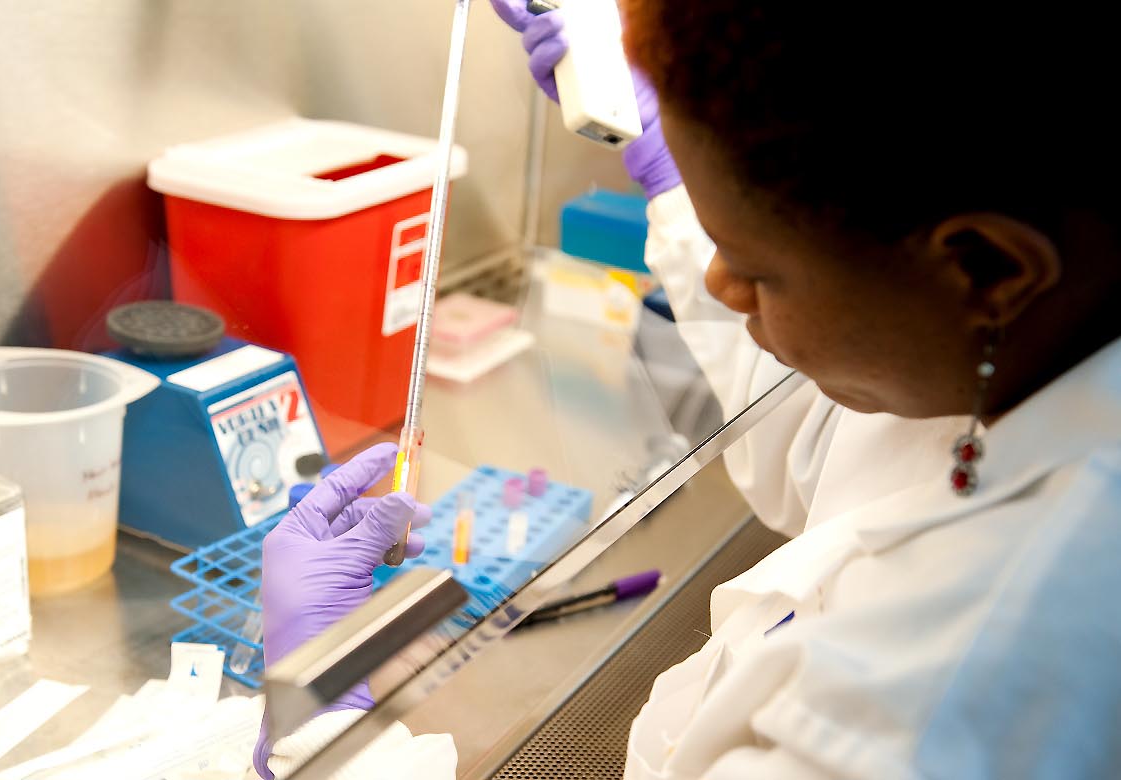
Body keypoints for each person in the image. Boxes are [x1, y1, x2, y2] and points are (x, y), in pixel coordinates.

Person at [255, 1, 1121, 777]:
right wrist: (675, 177)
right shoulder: (1040, 340)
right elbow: (834, 444)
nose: (720, 286)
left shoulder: (941, 698)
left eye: (753, 268)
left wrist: (315, 728)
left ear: (985, 267)